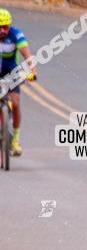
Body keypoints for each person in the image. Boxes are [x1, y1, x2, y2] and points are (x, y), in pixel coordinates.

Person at [0, 9, 36, 156]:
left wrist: (32, 71)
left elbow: (26, 54)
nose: (3, 30)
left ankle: (15, 140)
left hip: (11, 73)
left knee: (15, 103)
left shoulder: (16, 34)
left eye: (6, 27)